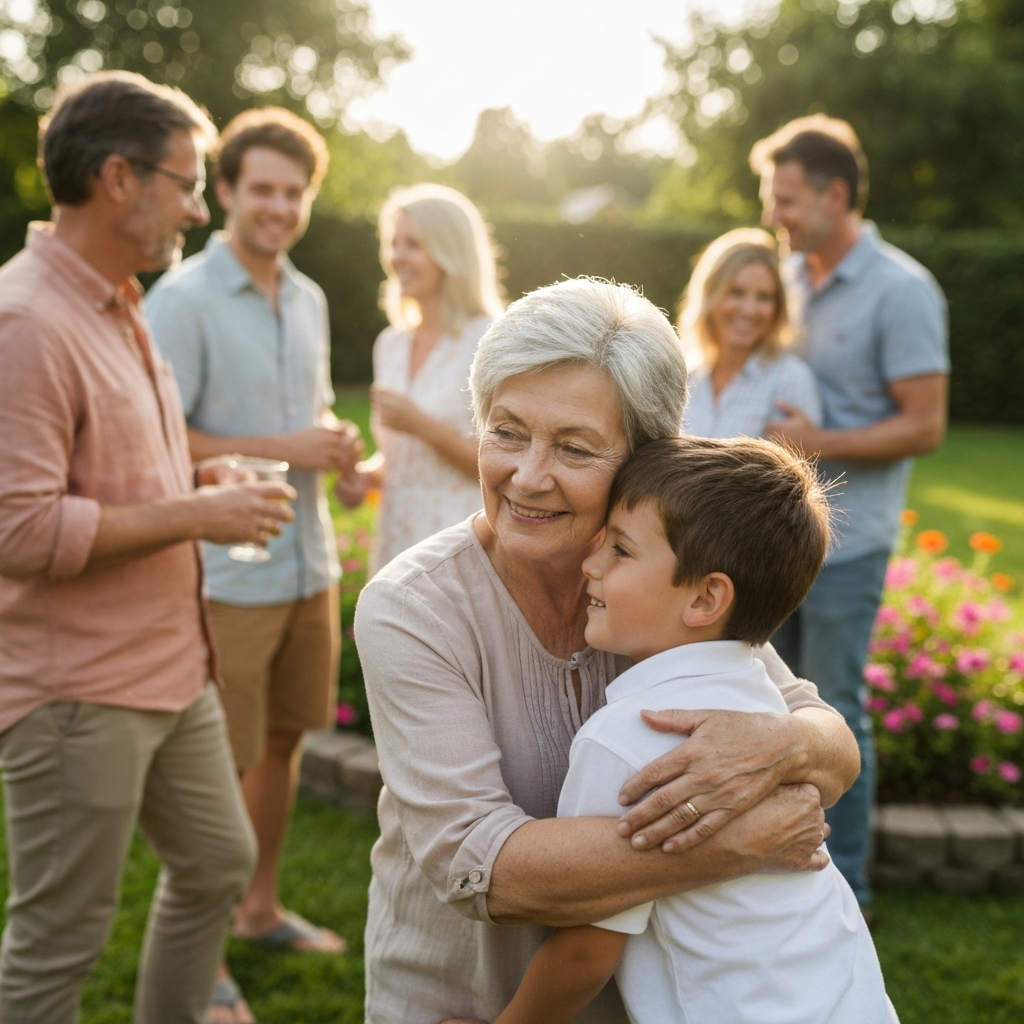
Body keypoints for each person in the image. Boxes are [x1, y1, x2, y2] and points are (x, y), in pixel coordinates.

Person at [354, 278, 862, 1024]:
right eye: (507, 431)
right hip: (460, 1001)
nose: (528, 476)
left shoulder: (664, 588)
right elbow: (483, 868)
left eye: (574, 447)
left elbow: (830, 745)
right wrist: (737, 841)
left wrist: (783, 746)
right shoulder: (414, 607)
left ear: (646, 457)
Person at [0, 72, 298, 1024]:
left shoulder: (122, 301)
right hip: (77, 693)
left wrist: (198, 486)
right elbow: (18, 530)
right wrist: (194, 518)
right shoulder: (26, 324)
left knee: (216, 862)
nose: (202, 206)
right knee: (60, 945)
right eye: (188, 181)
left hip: (173, 669)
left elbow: (112, 476)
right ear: (119, 179)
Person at [472, 436, 896, 1024]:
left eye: (620, 551)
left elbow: (583, 953)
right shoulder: (767, 706)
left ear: (705, 598)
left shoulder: (622, 737)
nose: (590, 565)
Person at [146, 107, 358, 1023]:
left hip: (308, 564)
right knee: (215, 766)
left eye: (293, 191)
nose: (277, 207)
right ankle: (205, 963)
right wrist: (287, 443)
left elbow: (304, 423)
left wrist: (335, 444)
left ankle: (259, 908)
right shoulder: (180, 300)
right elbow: (159, 438)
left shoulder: (307, 298)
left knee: (282, 743)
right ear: (224, 191)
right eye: (260, 189)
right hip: (224, 577)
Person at [750, 115, 950, 915]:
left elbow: (926, 423)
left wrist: (817, 441)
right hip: (776, 542)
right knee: (771, 707)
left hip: (849, 545)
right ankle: (779, 875)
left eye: (788, 200)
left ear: (836, 194)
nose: (775, 217)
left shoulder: (902, 290)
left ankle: (850, 891)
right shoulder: (790, 279)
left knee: (833, 709)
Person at [353, 183, 504, 574]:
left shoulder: (490, 341)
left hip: (458, 547)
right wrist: (364, 474)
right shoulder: (391, 344)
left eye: (413, 245)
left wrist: (420, 425)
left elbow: (508, 464)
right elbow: (399, 461)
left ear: (449, 253)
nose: (397, 257)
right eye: (394, 243)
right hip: (395, 543)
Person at [678, 227, 822, 439]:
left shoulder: (791, 381)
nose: (749, 310)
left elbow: (801, 469)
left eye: (763, 297)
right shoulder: (683, 374)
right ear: (710, 295)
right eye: (736, 292)